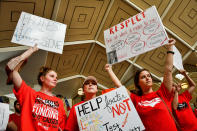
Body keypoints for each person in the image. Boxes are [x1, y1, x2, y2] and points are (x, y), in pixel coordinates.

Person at [105, 38, 178, 131]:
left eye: (149, 76)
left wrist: (170, 48)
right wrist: (109, 70)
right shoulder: (136, 100)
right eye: (143, 77)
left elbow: (168, 69)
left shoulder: (163, 92)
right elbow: (120, 86)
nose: (147, 78)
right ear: (138, 83)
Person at [6, 45, 66, 131]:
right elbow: (13, 71)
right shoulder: (29, 94)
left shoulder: (59, 102)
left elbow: (61, 127)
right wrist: (31, 50)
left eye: (56, 77)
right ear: (42, 78)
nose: (55, 79)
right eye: (52, 76)